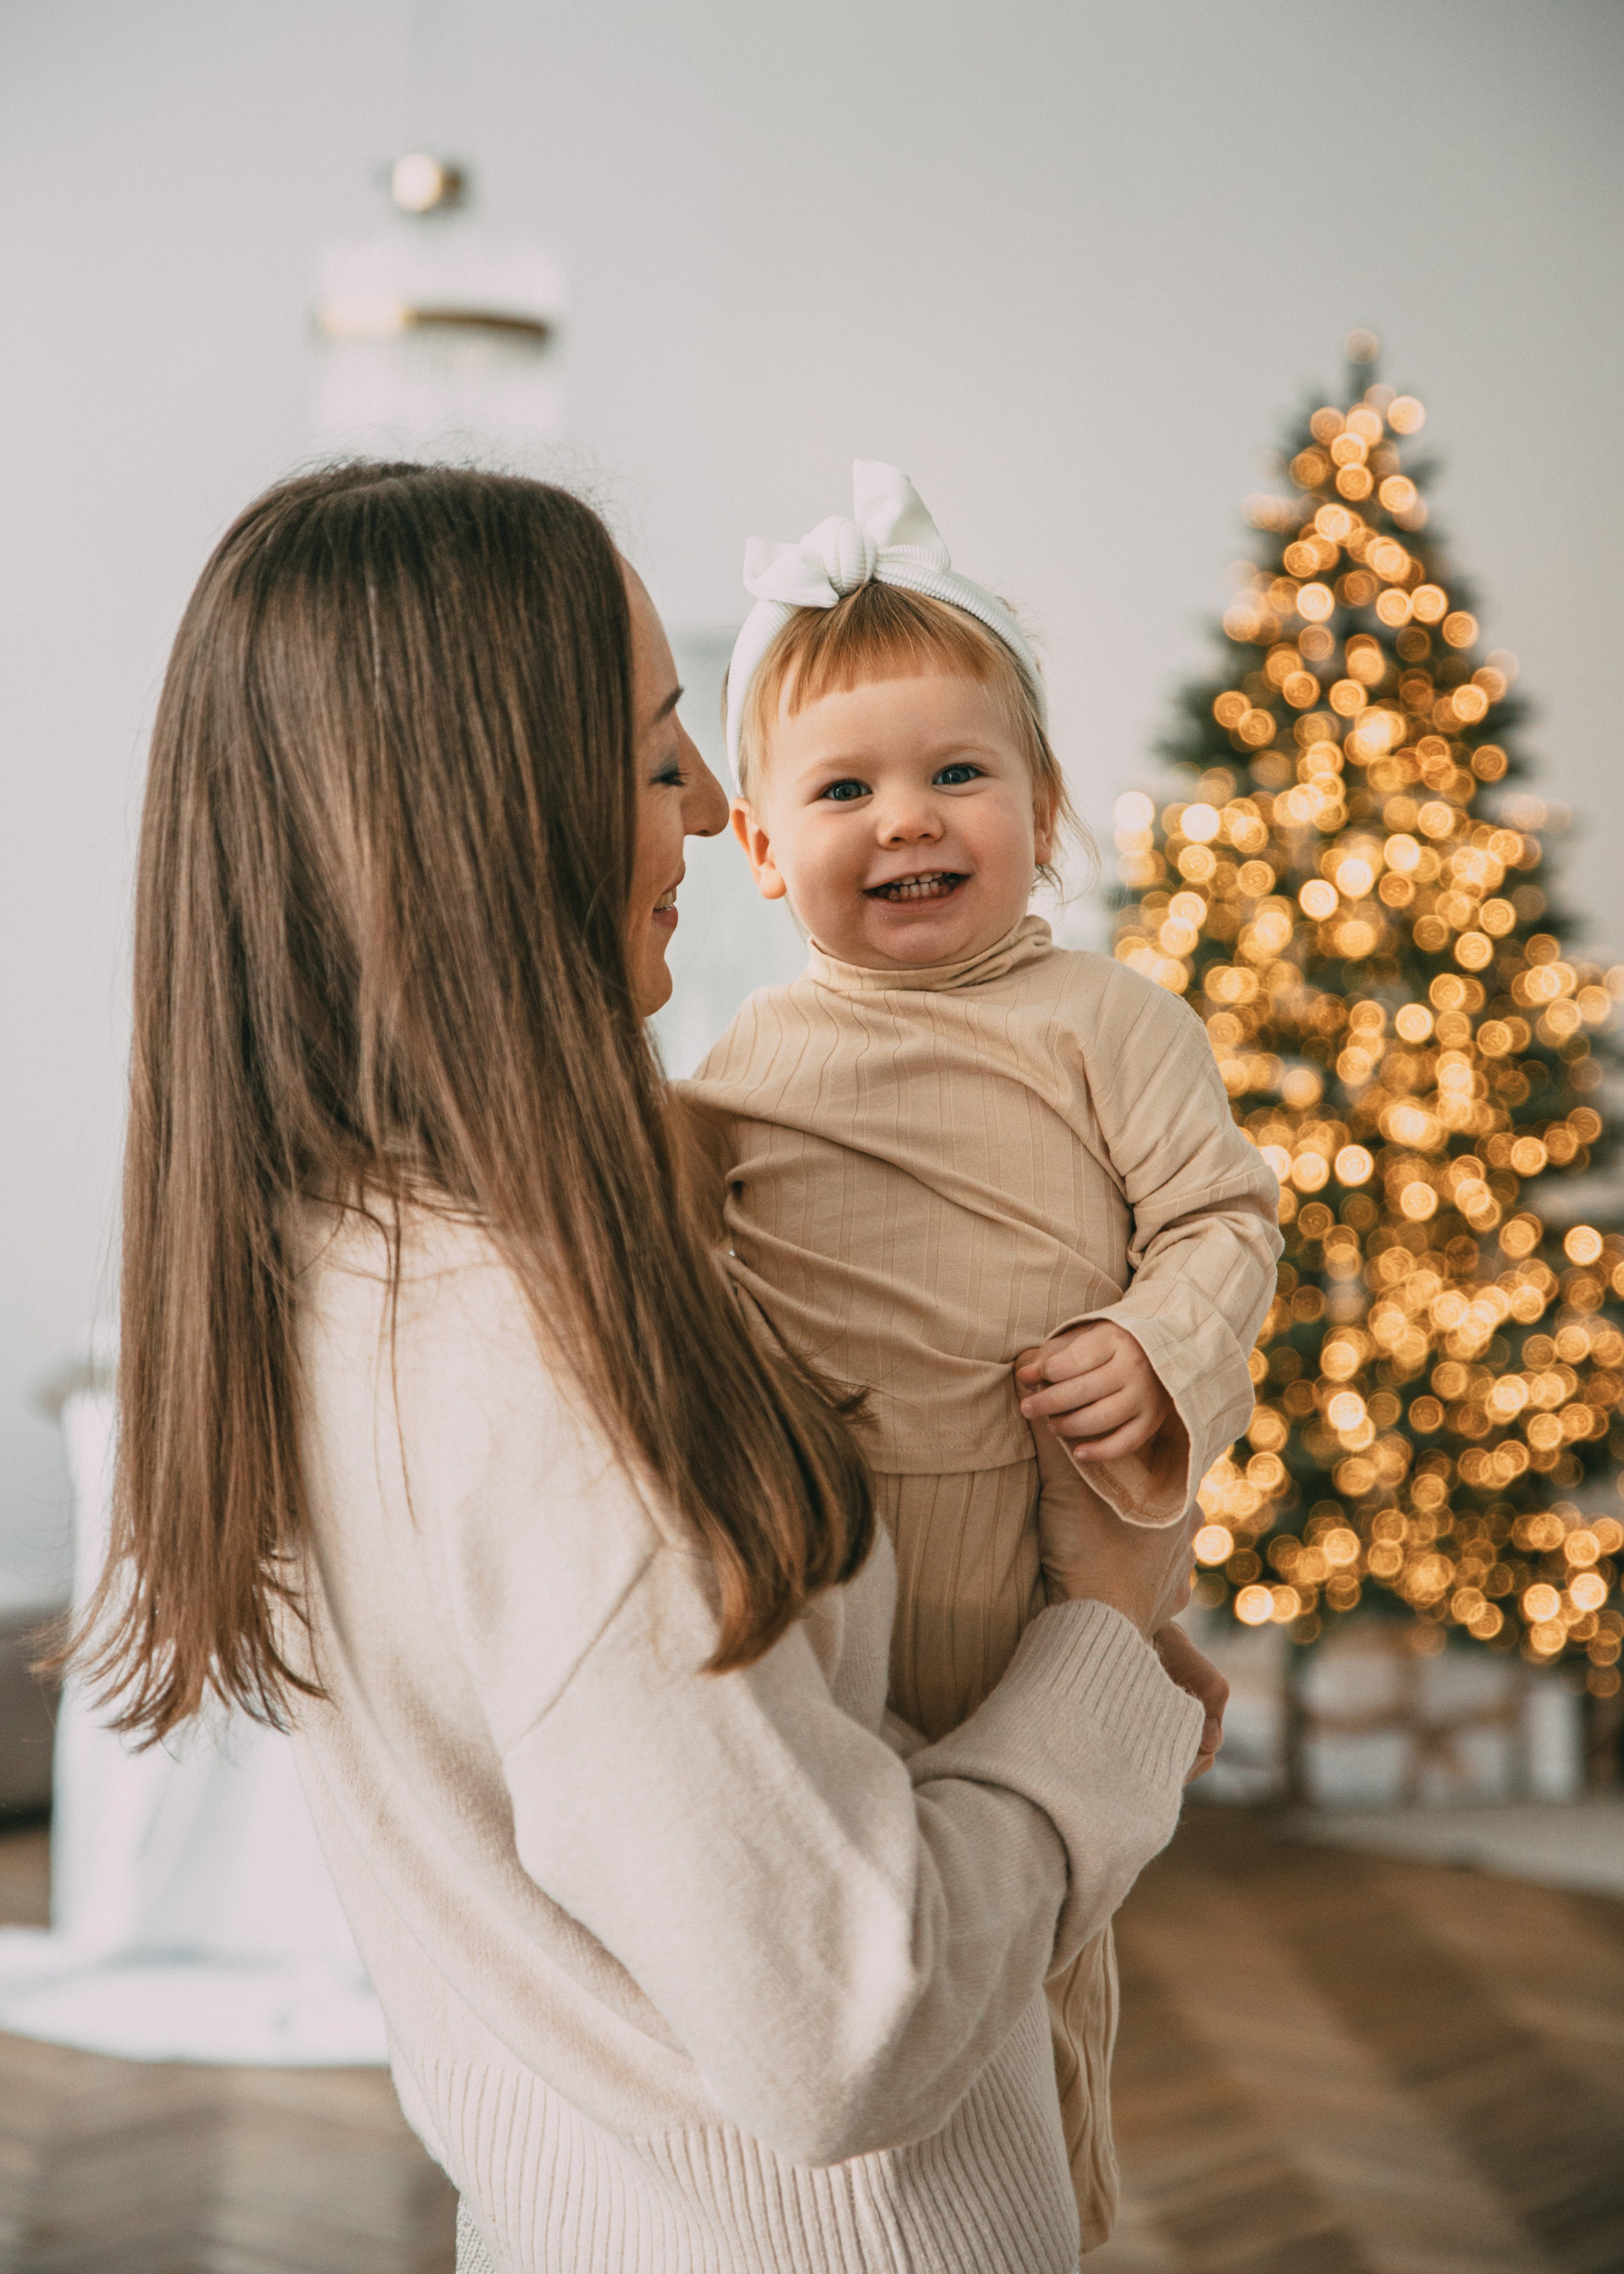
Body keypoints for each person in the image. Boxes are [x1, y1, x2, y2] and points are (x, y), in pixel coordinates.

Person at [83, 460, 1219, 2274]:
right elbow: (852, 2026)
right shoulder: (549, 1376)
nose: (705, 806)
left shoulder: (332, 1249)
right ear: (474, 827)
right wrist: (1104, 1636)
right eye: (652, 749)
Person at [682, 461, 1281, 2240]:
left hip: (1044, 1544)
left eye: (959, 774)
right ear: (770, 846)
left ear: (1045, 807)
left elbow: (1226, 1221)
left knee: (1049, 1929)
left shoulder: (1105, 1020)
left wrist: (1151, 1349)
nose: (910, 821)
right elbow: (680, 1271)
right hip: (838, 1577)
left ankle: (1060, 2208)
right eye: (846, 788)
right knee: (876, 1938)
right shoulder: (745, 1068)